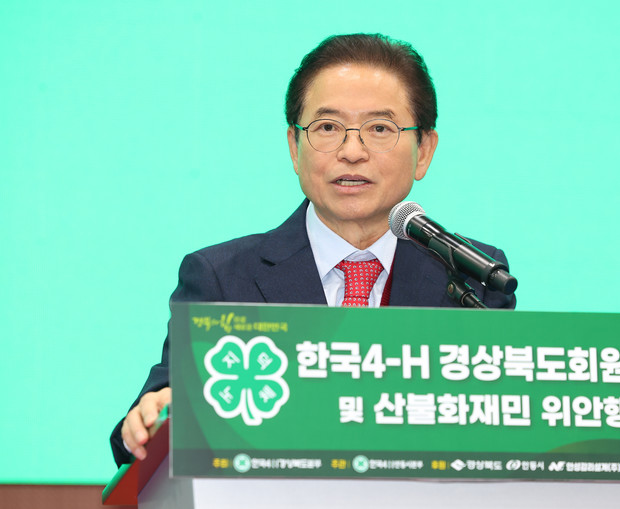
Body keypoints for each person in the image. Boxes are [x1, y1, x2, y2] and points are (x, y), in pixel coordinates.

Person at [110, 33, 516, 466]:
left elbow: (506, 426)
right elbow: (148, 423)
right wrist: (154, 419)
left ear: (424, 151)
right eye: (328, 128)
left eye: (380, 129)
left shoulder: (473, 275)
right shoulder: (221, 278)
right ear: (294, 146)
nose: (352, 152)